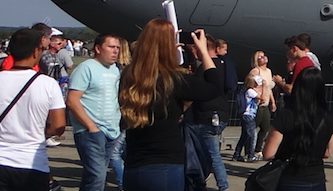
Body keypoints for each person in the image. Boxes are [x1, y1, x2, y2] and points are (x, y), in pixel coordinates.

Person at [117, 19, 222, 191]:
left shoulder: (129, 76)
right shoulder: (173, 79)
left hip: (134, 166)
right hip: (164, 164)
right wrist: (203, 51)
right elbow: (214, 87)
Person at [0, 27, 67, 191]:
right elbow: (59, 126)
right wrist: (41, 132)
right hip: (33, 163)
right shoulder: (49, 84)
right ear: (36, 52)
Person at [261, 66, 333, 191]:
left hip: (290, 178)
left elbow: (268, 154)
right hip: (317, 179)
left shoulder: (286, 116)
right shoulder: (329, 118)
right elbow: (327, 153)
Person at [67, 33, 125, 191]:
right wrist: (91, 127)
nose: (115, 51)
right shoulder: (86, 68)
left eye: (117, 48)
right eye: (111, 47)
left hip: (112, 131)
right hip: (91, 131)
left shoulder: (115, 70)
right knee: (97, 176)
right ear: (98, 48)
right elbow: (72, 100)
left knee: (92, 176)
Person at [189, 36, 231, 191]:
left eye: (195, 47)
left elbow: (194, 89)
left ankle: (222, 185)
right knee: (210, 153)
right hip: (221, 113)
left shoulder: (205, 68)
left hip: (208, 115)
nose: (193, 51)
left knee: (211, 155)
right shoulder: (224, 64)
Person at [245, 49, 276, 159]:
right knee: (253, 128)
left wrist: (272, 102)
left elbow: (269, 88)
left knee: (265, 127)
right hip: (257, 103)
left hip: (266, 103)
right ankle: (249, 150)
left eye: (264, 56)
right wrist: (257, 94)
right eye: (260, 57)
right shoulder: (256, 71)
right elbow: (249, 84)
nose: (264, 58)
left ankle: (258, 149)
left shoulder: (268, 71)